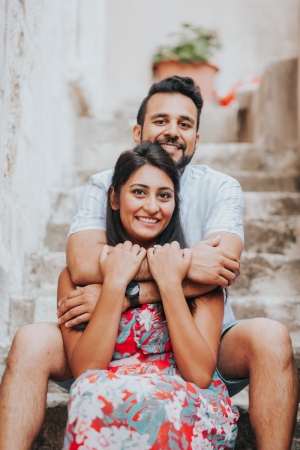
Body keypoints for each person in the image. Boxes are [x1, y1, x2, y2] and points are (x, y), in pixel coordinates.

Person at [0, 76, 297, 450]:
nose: (172, 132)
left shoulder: (220, 187)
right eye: (161, 120)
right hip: (108, 348)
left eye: (184, 124)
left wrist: (132, 291)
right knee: (30, 339)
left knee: (270, 336)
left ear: (197, 138)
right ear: (138, 130)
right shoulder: (103, 183)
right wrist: (166, 270)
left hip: (203, 339)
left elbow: (217, 270)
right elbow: (81, 265)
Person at [60, 142, 239, 449]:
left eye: (164, 195)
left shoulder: (199, 277)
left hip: (182, 396)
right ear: (115, 197)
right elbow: (85, 371)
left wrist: (170, 283)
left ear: (175, 203)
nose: (153, 207)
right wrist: (115, 283)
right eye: (139, 192)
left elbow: (199, 374)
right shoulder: (76, 279)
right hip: (107, 392)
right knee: (88, 392)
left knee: (161, 401)